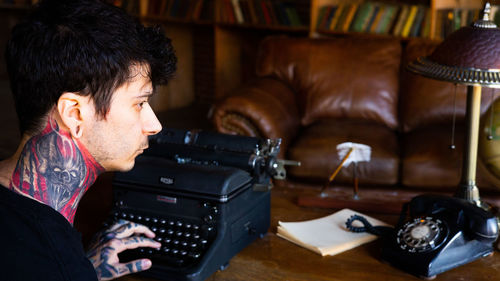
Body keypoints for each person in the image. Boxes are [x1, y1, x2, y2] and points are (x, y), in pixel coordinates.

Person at [0, 0, 177, 280]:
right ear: (74, 113)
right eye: (140, 103)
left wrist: (86, 270)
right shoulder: (56, 267)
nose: (154, 125)